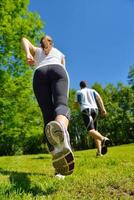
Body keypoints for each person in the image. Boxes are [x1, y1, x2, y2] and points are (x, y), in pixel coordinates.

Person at [21, 35, 74, 177]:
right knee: (61, 105)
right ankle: (62, 130)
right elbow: (63, 67)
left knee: (47, 117)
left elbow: (24, 39)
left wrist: (28, 53)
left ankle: (58, 169)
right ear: (52, 42)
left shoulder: (37, 51)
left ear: (41, 42)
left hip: (39, 74)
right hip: (58, 70)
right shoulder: (60, 54)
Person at [75, 81, 110, 157]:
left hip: (86, 110)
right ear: (86, 85)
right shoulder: (93, 91)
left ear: (80, 86)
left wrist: (75, 106)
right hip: (95, 110)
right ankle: (99, 153)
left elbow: (76, 103)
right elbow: (99, 99)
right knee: (95, 132)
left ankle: (103, 139)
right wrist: (103, 109)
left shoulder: (79, 92)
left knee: (90, 131)